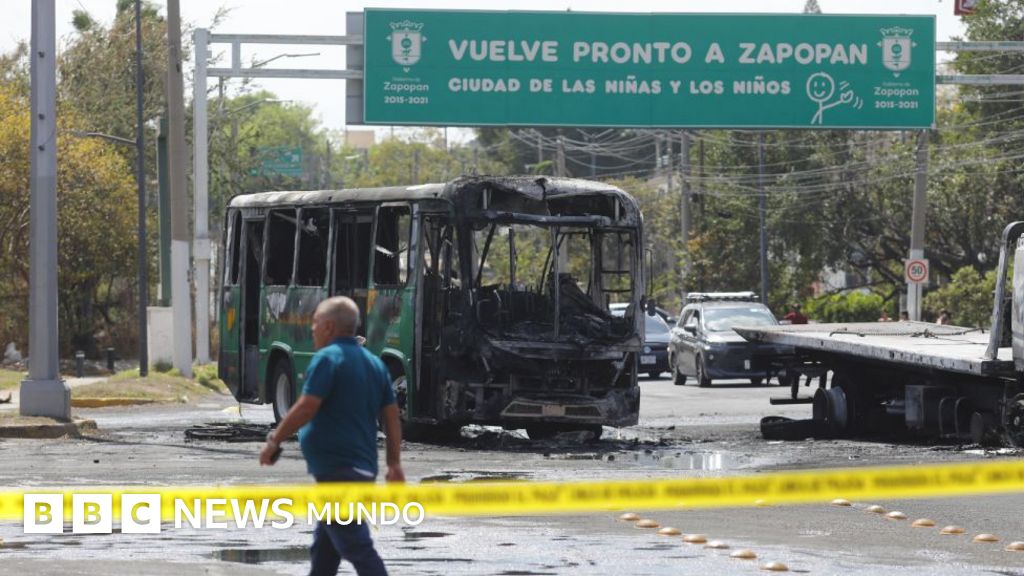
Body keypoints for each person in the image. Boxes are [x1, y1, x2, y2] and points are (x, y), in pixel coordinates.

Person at [260, 296, 403, 576]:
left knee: (356, 546)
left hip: (339, 471)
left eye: (315, 323)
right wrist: (394, 464)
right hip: (361, 468)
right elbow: (392, 417)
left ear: (328, 327)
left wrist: (275, 440)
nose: (312, 329)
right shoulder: (374, 364)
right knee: (324, 552)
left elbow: (306, 406)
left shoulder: (328, 359)